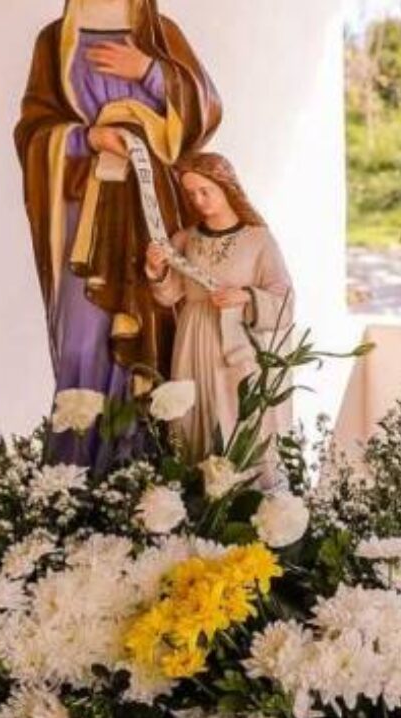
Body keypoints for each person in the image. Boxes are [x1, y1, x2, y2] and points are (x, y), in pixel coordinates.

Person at [15, 0, 221, 468]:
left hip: (149, 208)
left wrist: (150, 71)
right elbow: (32, 132)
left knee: (149, 328)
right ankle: (75, 476)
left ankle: (142, 471)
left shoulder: (160, 34)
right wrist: (88, 138)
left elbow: (204, 111)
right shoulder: (55, 41)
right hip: (85, 216)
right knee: (82, 339)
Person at [146, 153, 294, 478]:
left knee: (234, 415)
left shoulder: (258, 239)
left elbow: (284, 299)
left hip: (236, 341)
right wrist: (157, 270)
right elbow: (169, 295)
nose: (199, 201)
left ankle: (243, 493)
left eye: (206, 191)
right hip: (193, 338)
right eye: (191, 194)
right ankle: (196, 494)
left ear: (227, 187)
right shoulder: (185, 239)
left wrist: (246, 296)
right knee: (193, 416)